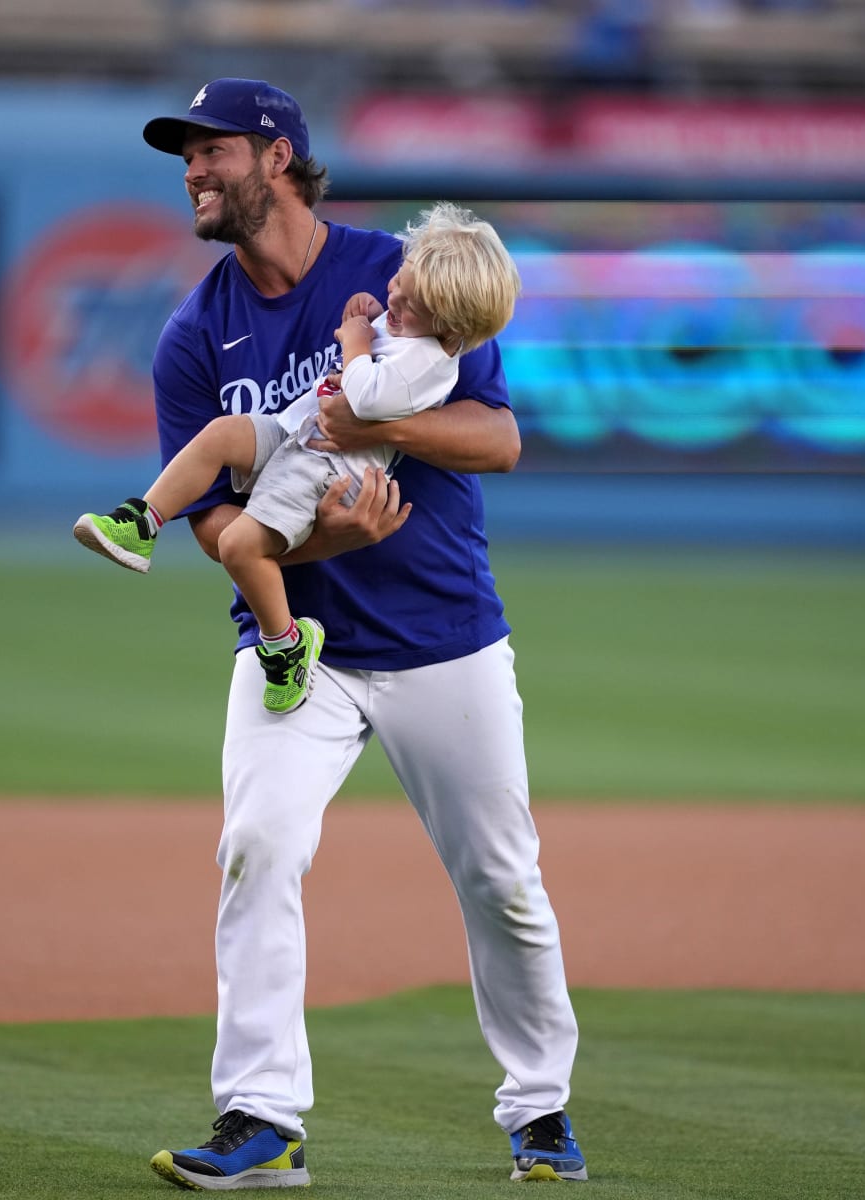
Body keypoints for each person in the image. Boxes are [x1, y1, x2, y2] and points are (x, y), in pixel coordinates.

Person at [133, 78, 586, 1189]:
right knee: (258, 848)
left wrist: (380, 419)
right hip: (298, 645)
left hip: (445, 639)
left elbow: (498, 438)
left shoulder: (400, 272)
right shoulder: (195, 336)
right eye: (184, 155)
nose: (192, 169)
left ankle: (540, 1114)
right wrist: (326, 542)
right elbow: (220, 533)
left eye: (211, 150)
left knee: (504, 881)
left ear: (277, 155)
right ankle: (262, 1118)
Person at [73, 201, 522, 716]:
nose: (393, 293)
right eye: (400, 278)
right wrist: (373, 318)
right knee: (221, 434)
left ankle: (285, 645)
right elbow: (386, 336)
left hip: (326, 468)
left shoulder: (432, 360)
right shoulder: (408, 331)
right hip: (298, 435)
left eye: (411, 300)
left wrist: (354, 339)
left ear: (446, 324)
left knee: (239, 544)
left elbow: (368, 394)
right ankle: (142, 520)